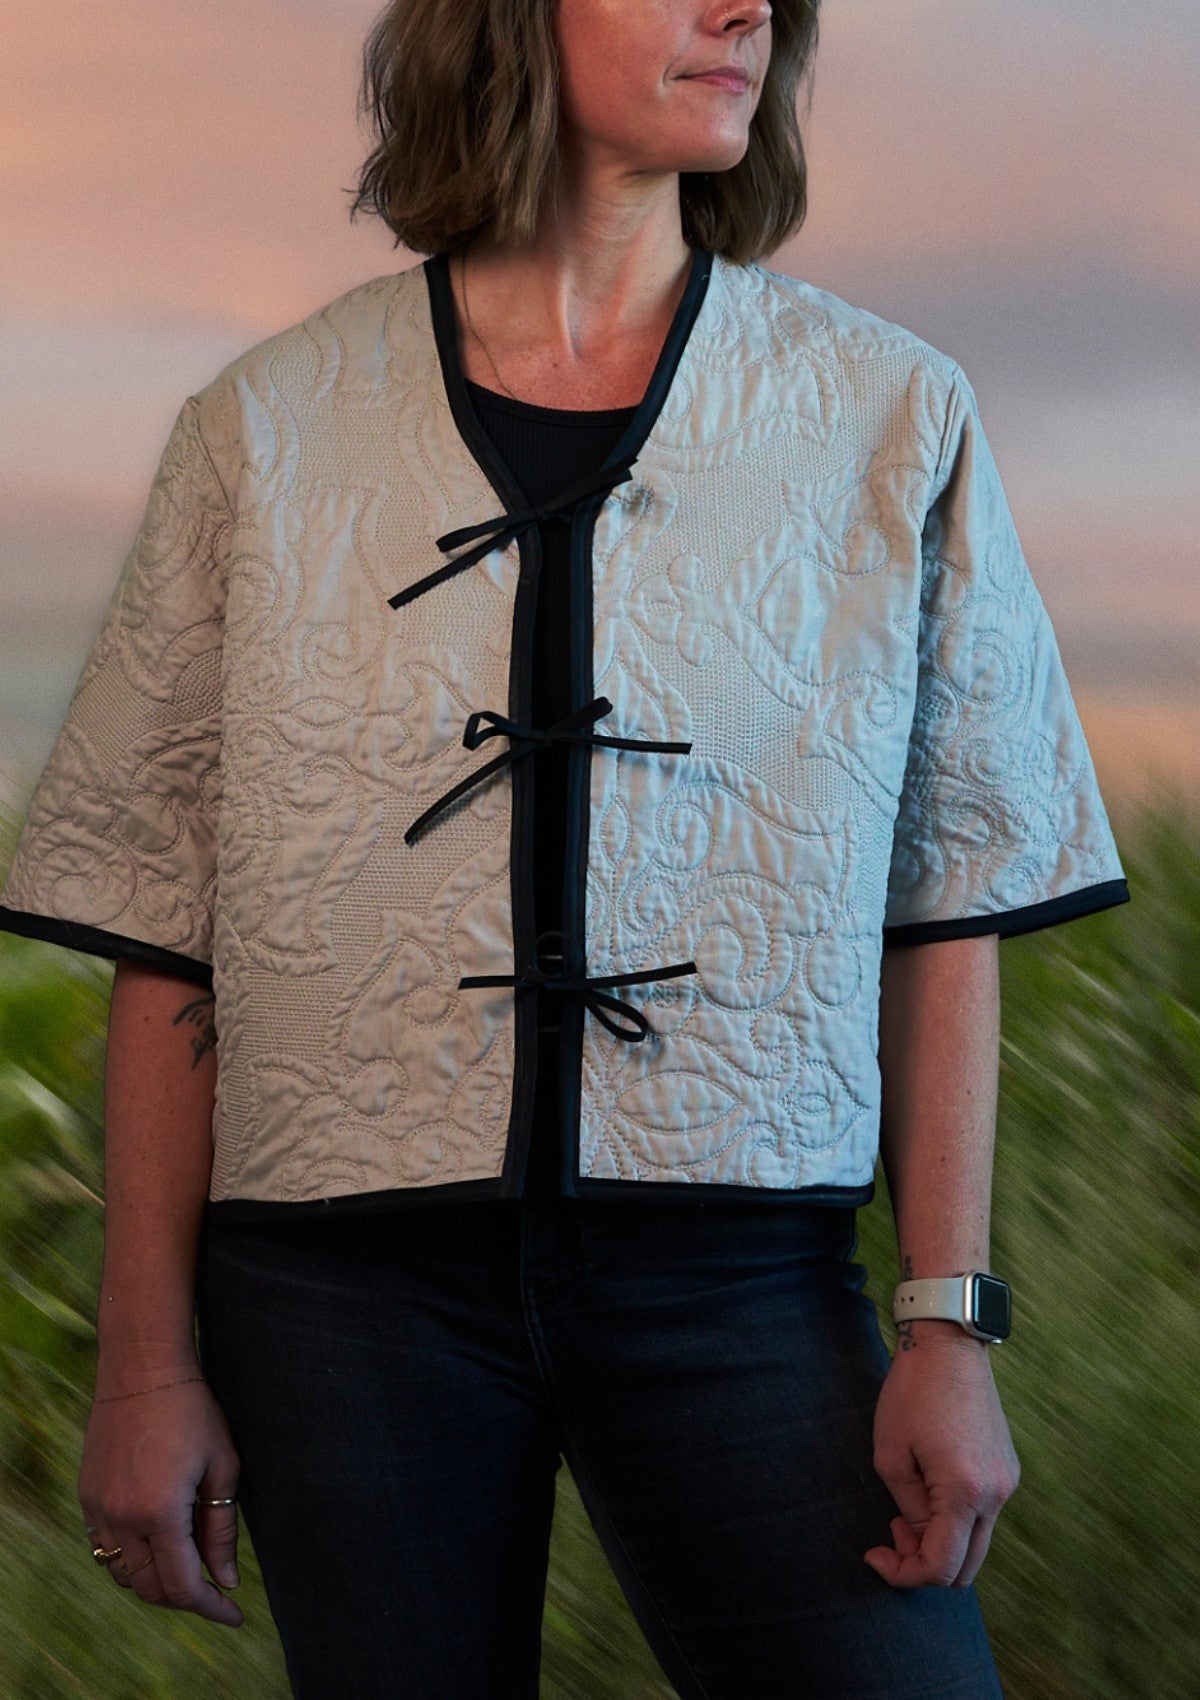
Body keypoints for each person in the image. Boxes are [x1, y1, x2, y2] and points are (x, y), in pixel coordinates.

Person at [0, 1, 1130, 1695]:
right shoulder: (265, 428)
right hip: (337, 1301)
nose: (746, 9)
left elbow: (944, 895)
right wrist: (144, 1366)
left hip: (744, 1283)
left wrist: (947, 1319)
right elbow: (170, 928)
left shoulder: (887, 411)